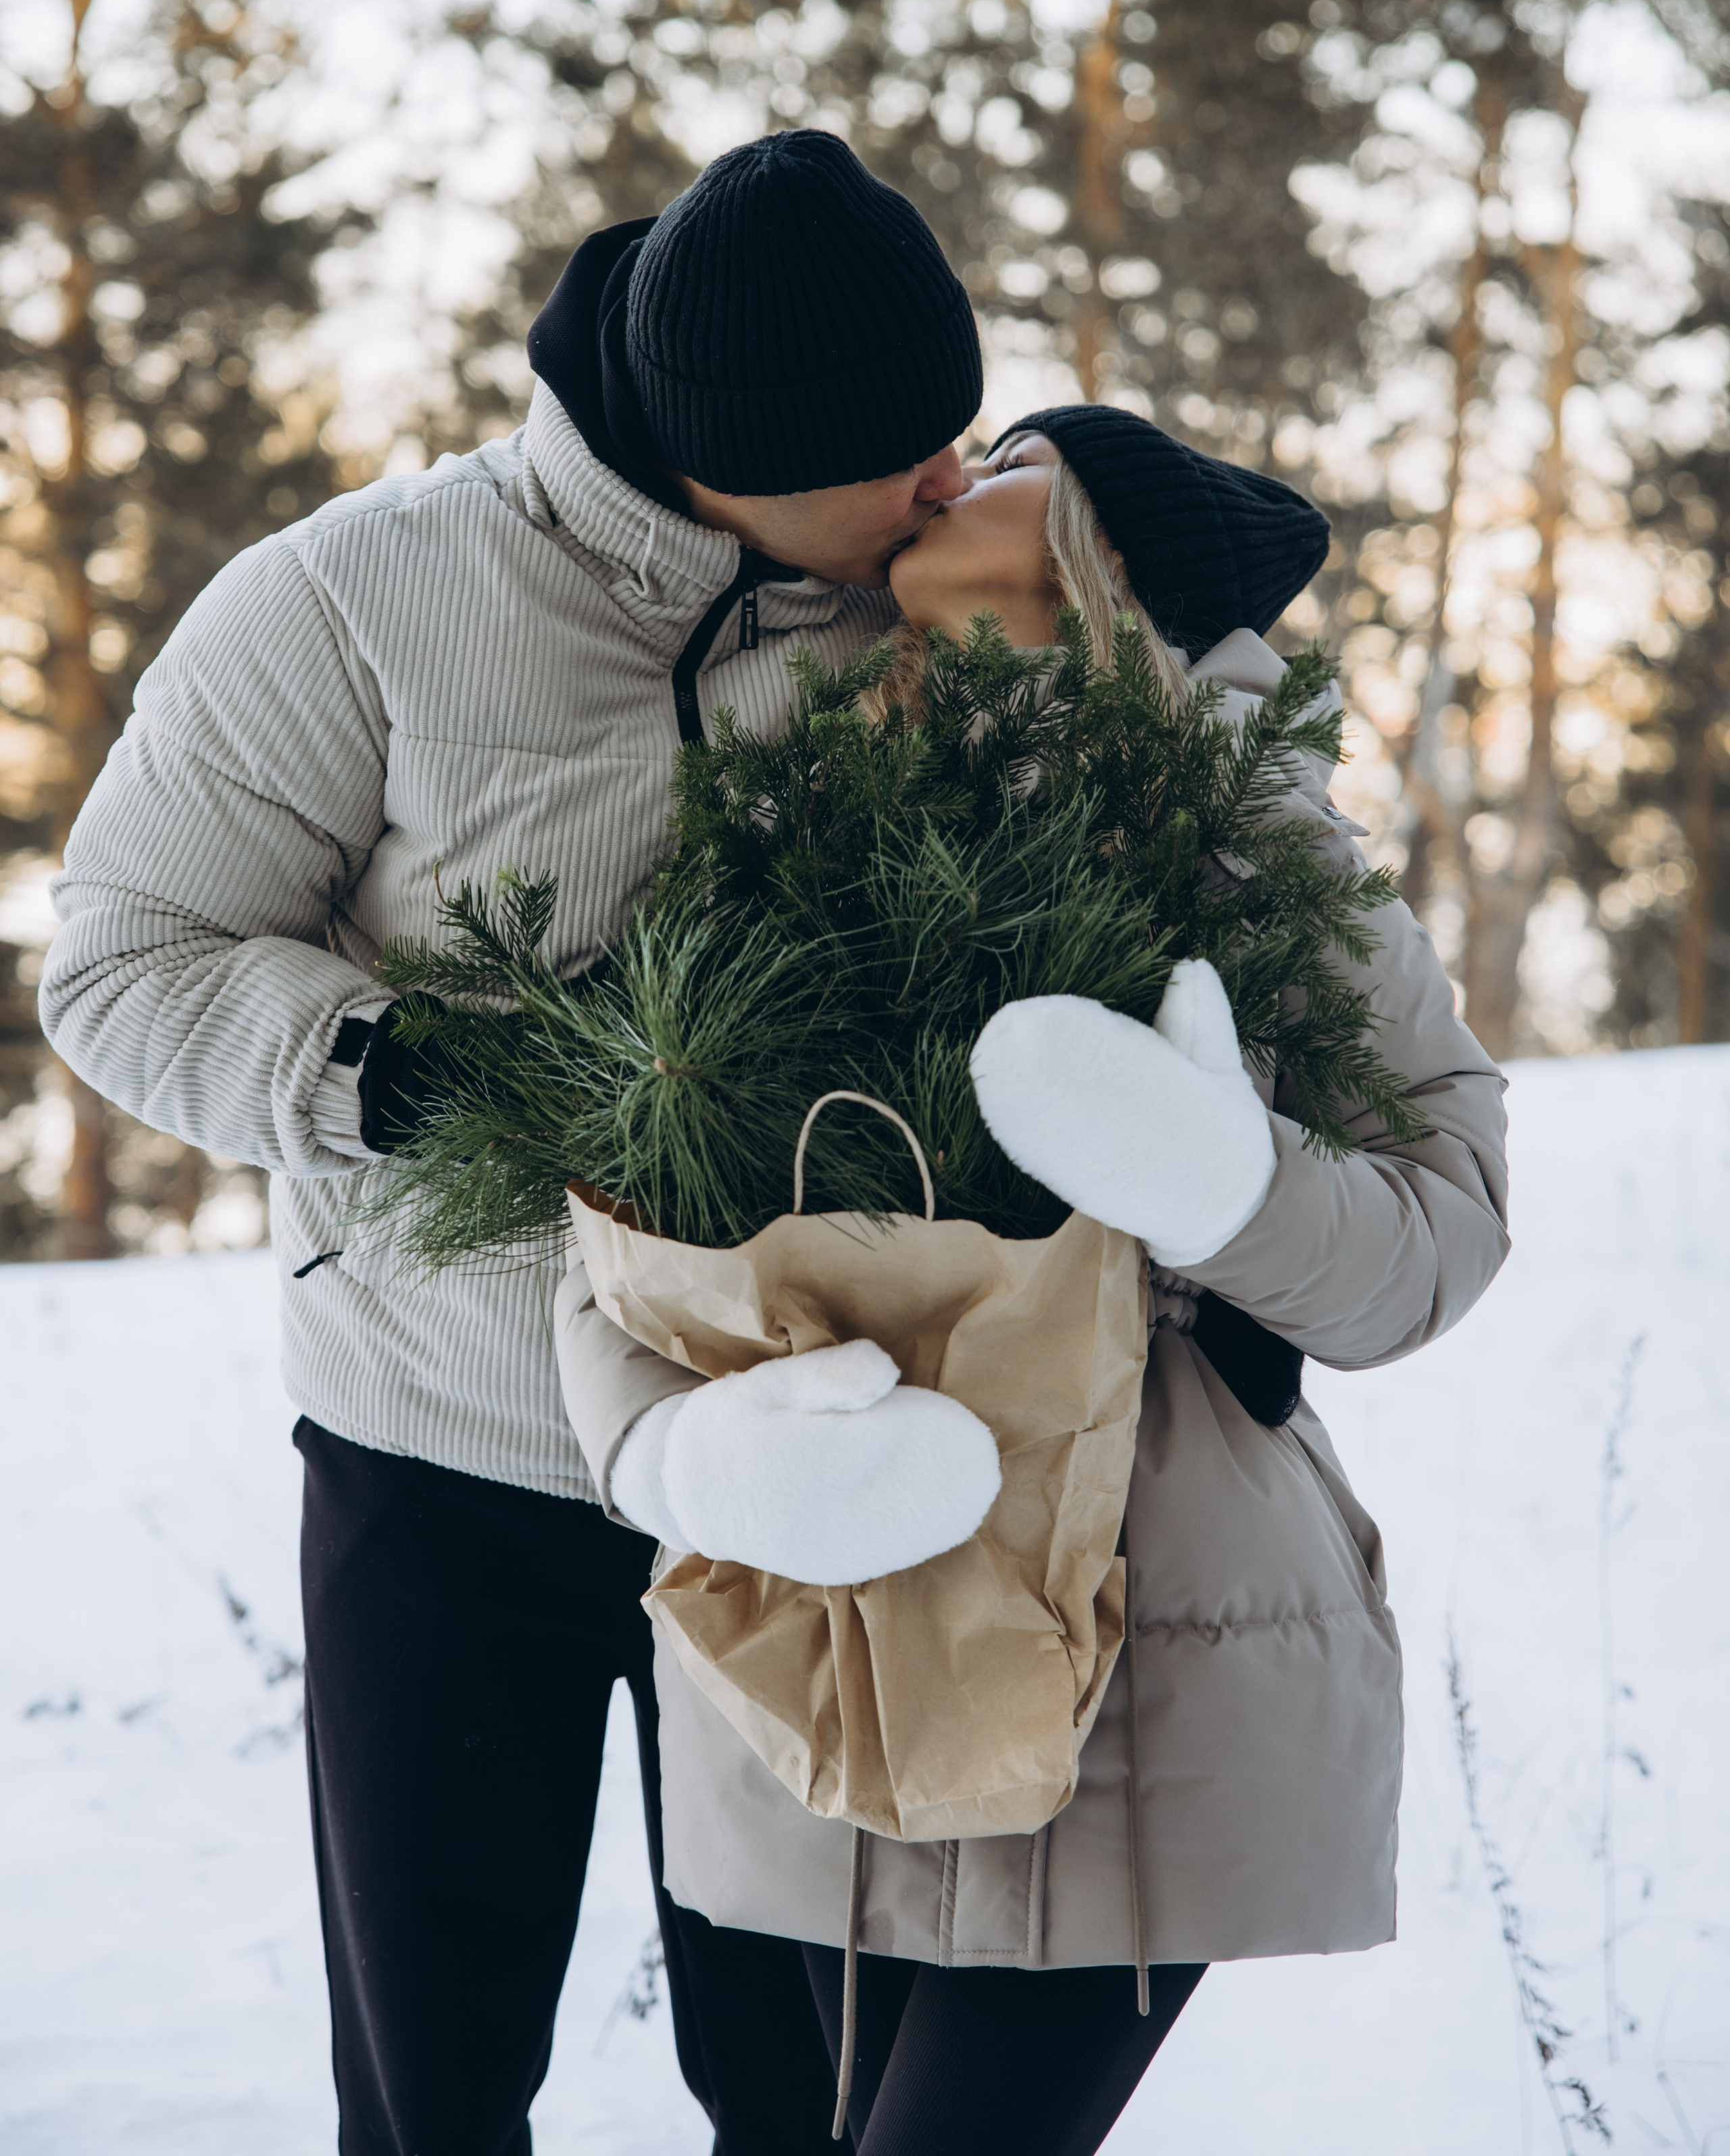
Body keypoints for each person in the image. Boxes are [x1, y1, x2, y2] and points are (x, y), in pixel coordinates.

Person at [40, 130, 993, 2155]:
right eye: (908, 453)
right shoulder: (354, 600)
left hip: (797, 1462)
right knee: (439, 2076)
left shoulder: (936, 597)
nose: (951, 483)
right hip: (441, 1454)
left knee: (815, 2084)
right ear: (739, 453)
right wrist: (389, 1079)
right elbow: (123, 956)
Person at [558, 406, 1512, 2156]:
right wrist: (679, 1463)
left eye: (1003, 459)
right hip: (834, 1635)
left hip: (1141, 1665)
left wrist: (1219, 1188)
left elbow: (1436, 1242)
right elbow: (622, 1233)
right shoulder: (806, 807)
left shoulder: (1256, 840)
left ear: (1109, 552)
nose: (942, 469)